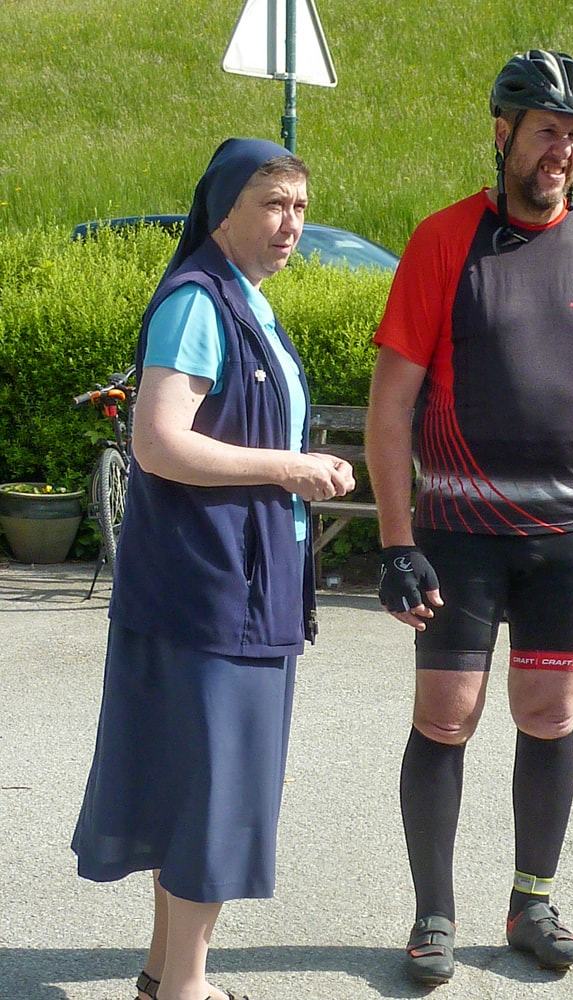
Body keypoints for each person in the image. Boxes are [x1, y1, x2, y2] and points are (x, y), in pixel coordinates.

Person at [366, 50, 573, 982]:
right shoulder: (444, 240)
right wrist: (396, 543)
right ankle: (434, 914)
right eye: (546, 131)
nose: (561, 150)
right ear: (503, 134)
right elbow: (390, 403)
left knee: (548, 715)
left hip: (563, 535)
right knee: (446, 717)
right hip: (457, 532)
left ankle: (533, 902)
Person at [71, 138, 355, 1000]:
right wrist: (287, 467)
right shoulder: (199, 300)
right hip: (214, 591)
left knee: (197, 789)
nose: (290, 224)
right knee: (215, 797)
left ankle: (166, 976)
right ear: (223, 209)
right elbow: (159, 443)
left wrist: (291, 466)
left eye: (300, 207)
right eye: (273, 204)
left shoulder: (242, 301)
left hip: (236, 587)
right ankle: (187, 989)